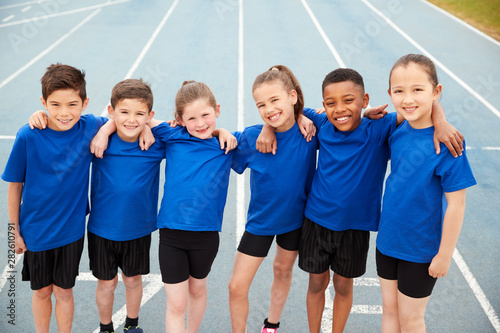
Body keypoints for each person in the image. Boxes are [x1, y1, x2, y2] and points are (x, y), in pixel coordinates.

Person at [259, 67, 463, 333]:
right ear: (323, 105)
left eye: (349, 101)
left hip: (355, 228)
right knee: (316, 284)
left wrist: (442, 120)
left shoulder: (380, 127)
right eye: (330, 103)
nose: (339, 109)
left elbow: (417, 107)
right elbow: (286, 107)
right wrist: (267, 126)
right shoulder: (320, 123)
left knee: (343, 286)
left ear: (365, 101)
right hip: (316, 221)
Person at [1, 64, 115, 333]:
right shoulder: (28, 135)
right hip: (36, 231)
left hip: (71, 232)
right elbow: (14, 187)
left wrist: (108, 131)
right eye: (55, 105)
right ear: (43, 102)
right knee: (41, 292)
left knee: (64, 292)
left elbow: (121, 119)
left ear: (85, 103)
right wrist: (13, 231)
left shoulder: (89, 127)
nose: (64, 113)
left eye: (72, 104)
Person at [376, 54, 476, 332]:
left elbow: (457, 205)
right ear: (390, 94)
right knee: (390, 311)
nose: (408, 99)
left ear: (436, 91)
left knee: (411, 320)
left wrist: (444, 255)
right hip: (387, 241)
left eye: (417, 90)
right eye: (399, 91)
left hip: (420, 249)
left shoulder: (449, 144)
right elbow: (360, 115)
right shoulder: (396, 127)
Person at [228, 65, 317, 333]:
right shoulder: (254, 137)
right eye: (261, 105)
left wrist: (302, 115)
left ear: (292, 97)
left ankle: (271, 324)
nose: (269, 109)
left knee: (282, 270)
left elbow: (342, 118)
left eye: (274, 100)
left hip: (296, 220)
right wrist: (265, 126)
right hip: (261, 221)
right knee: (236, 285)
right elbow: (220, 145)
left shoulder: (312, 128)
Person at [147, 81, 238, 333]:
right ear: (179, 119)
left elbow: (269, 131)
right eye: (192, 118)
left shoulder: (227, 145)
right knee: (176, 304)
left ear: (217, 110)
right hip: (172, 235)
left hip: (206, 236)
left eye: (206, 115)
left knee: (198, 289)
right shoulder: (173, 135)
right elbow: (138, 116)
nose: (200, 124)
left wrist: (223, 132)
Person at [87, 79, 164, 333]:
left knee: (133, 280)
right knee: (106, 284)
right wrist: (103, 131)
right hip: (101, 229)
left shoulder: (154, 143)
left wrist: (148, 127)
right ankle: (106, 327)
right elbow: (67, 119)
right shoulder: (98, 139)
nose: (131, 120)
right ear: (111, 112)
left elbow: (185, 129)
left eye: (140, 114)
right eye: (124, 112)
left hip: (138, 229)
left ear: (149, 115)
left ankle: (132, 325)